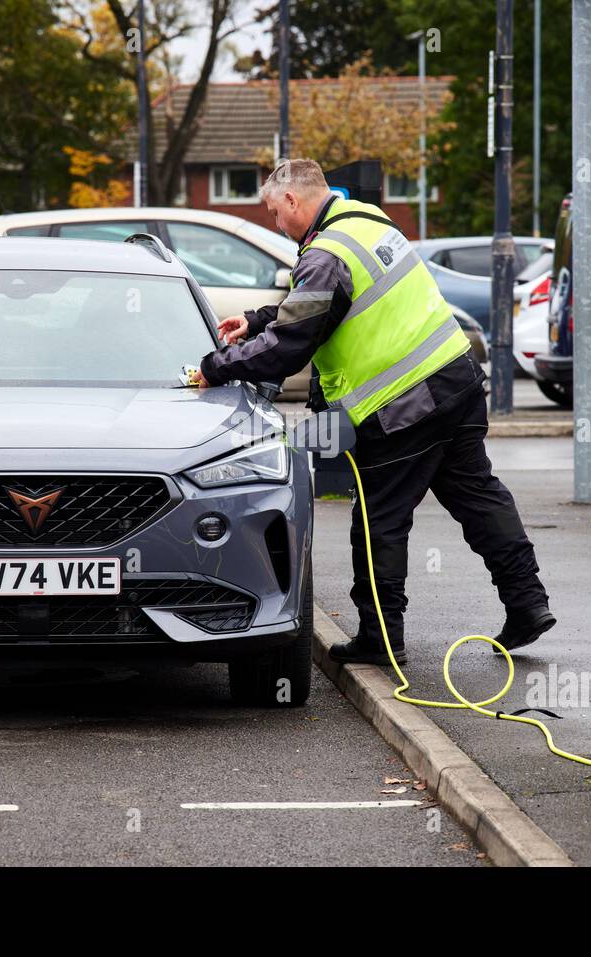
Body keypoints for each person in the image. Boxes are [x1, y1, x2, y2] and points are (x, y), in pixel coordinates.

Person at [190, 159, 555, 664]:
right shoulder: (367, 222)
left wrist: (217, 366)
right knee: (479, 498)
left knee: (379, 521)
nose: (276, 223)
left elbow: (293, 344)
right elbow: (334, 307)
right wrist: (257, 320)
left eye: (275, 213)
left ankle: (382, 637)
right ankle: (528, 603)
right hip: (456, 379)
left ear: (293, 201)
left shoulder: (325, 253)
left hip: (403, 405)